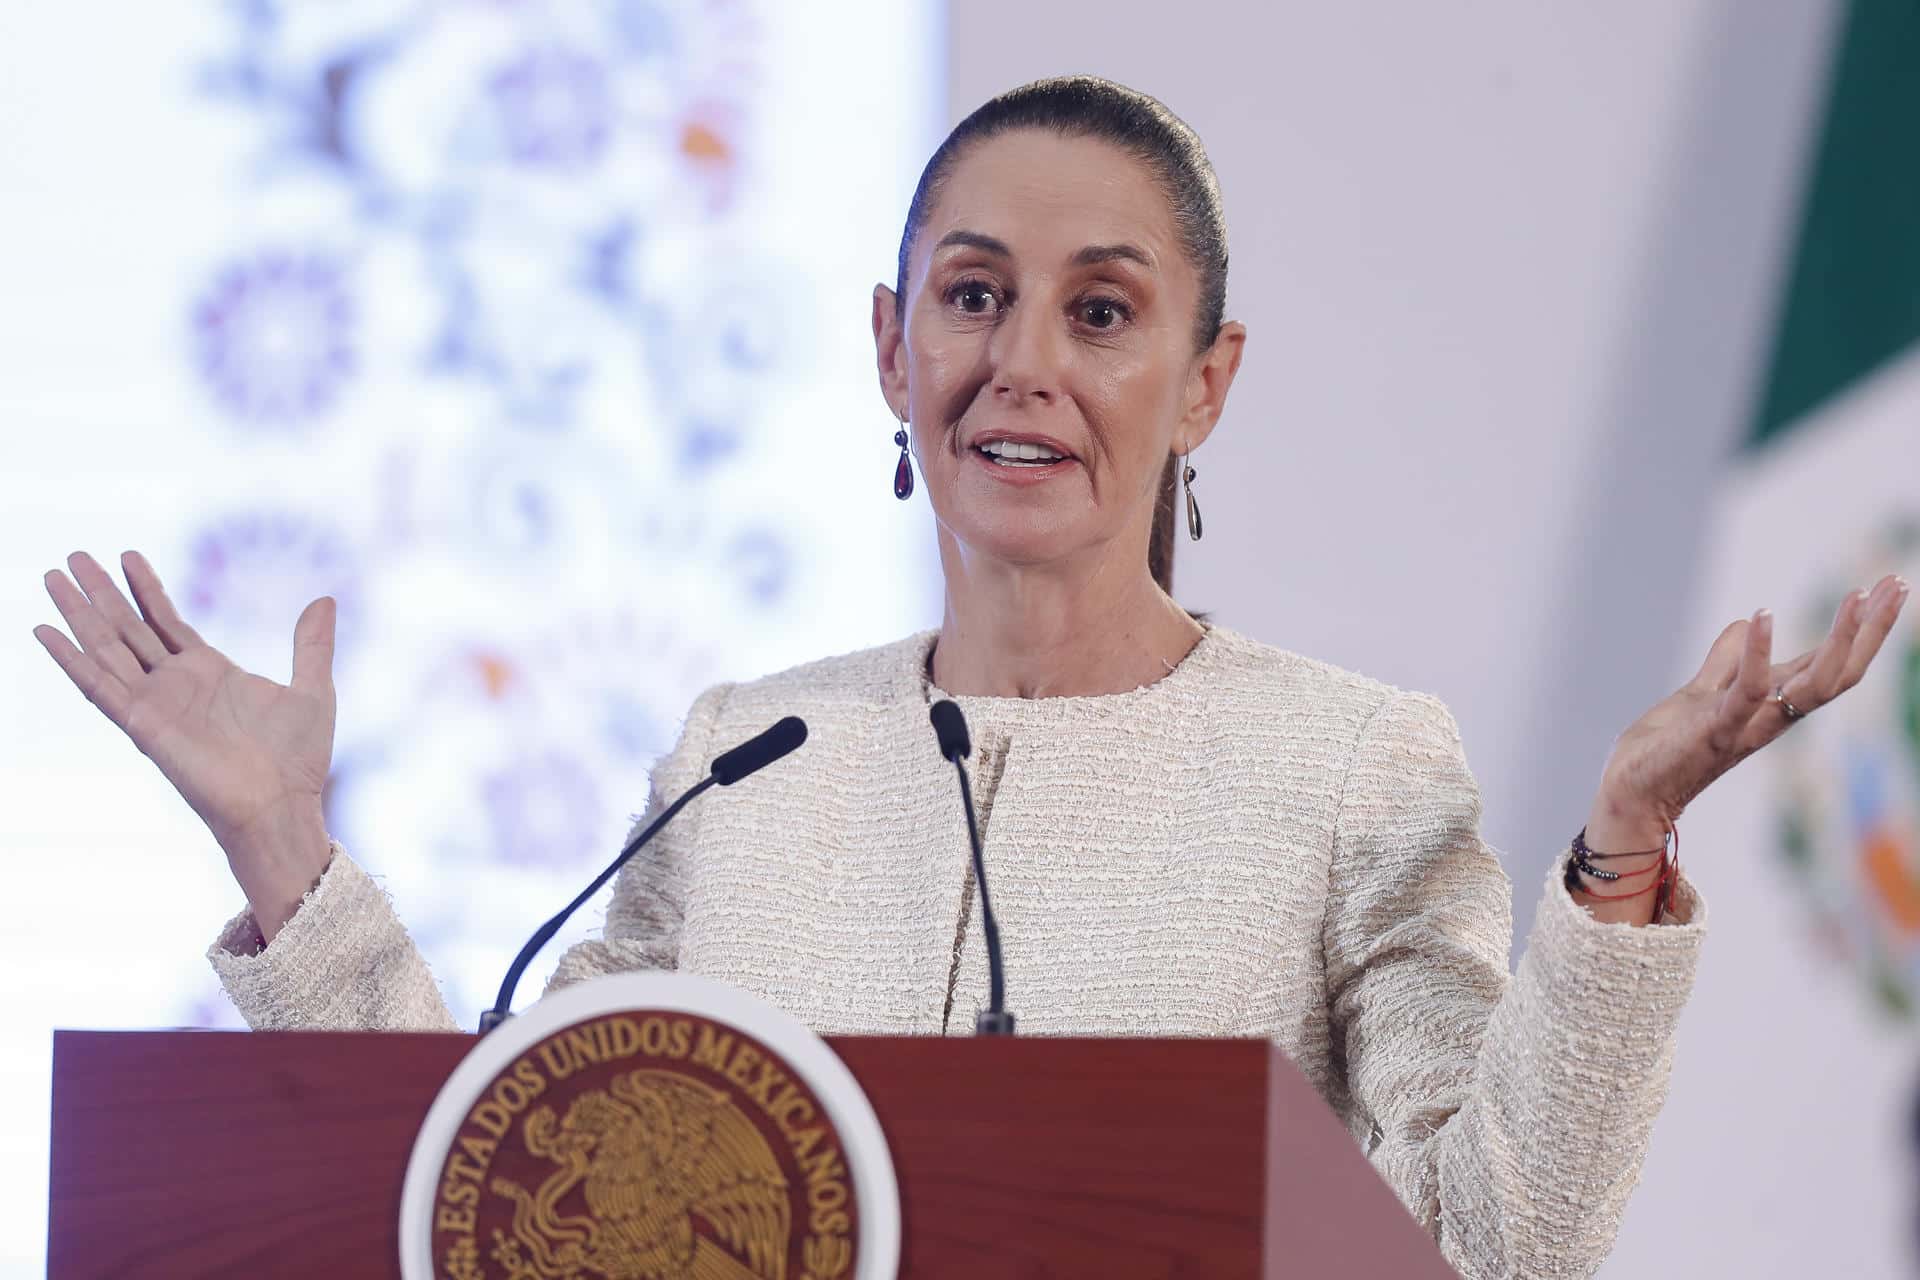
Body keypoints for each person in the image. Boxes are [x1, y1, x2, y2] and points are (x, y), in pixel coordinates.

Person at [32, 76, 1909, 1277]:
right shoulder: (747, 751)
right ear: (887, 341)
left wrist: (1622, 852)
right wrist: (287, 853)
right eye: (971, 294)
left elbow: (1499, 1252)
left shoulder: (1346, 764)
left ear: (1207, 382)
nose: (1021, 361)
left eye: (1101, 311)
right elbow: (517, 1199)